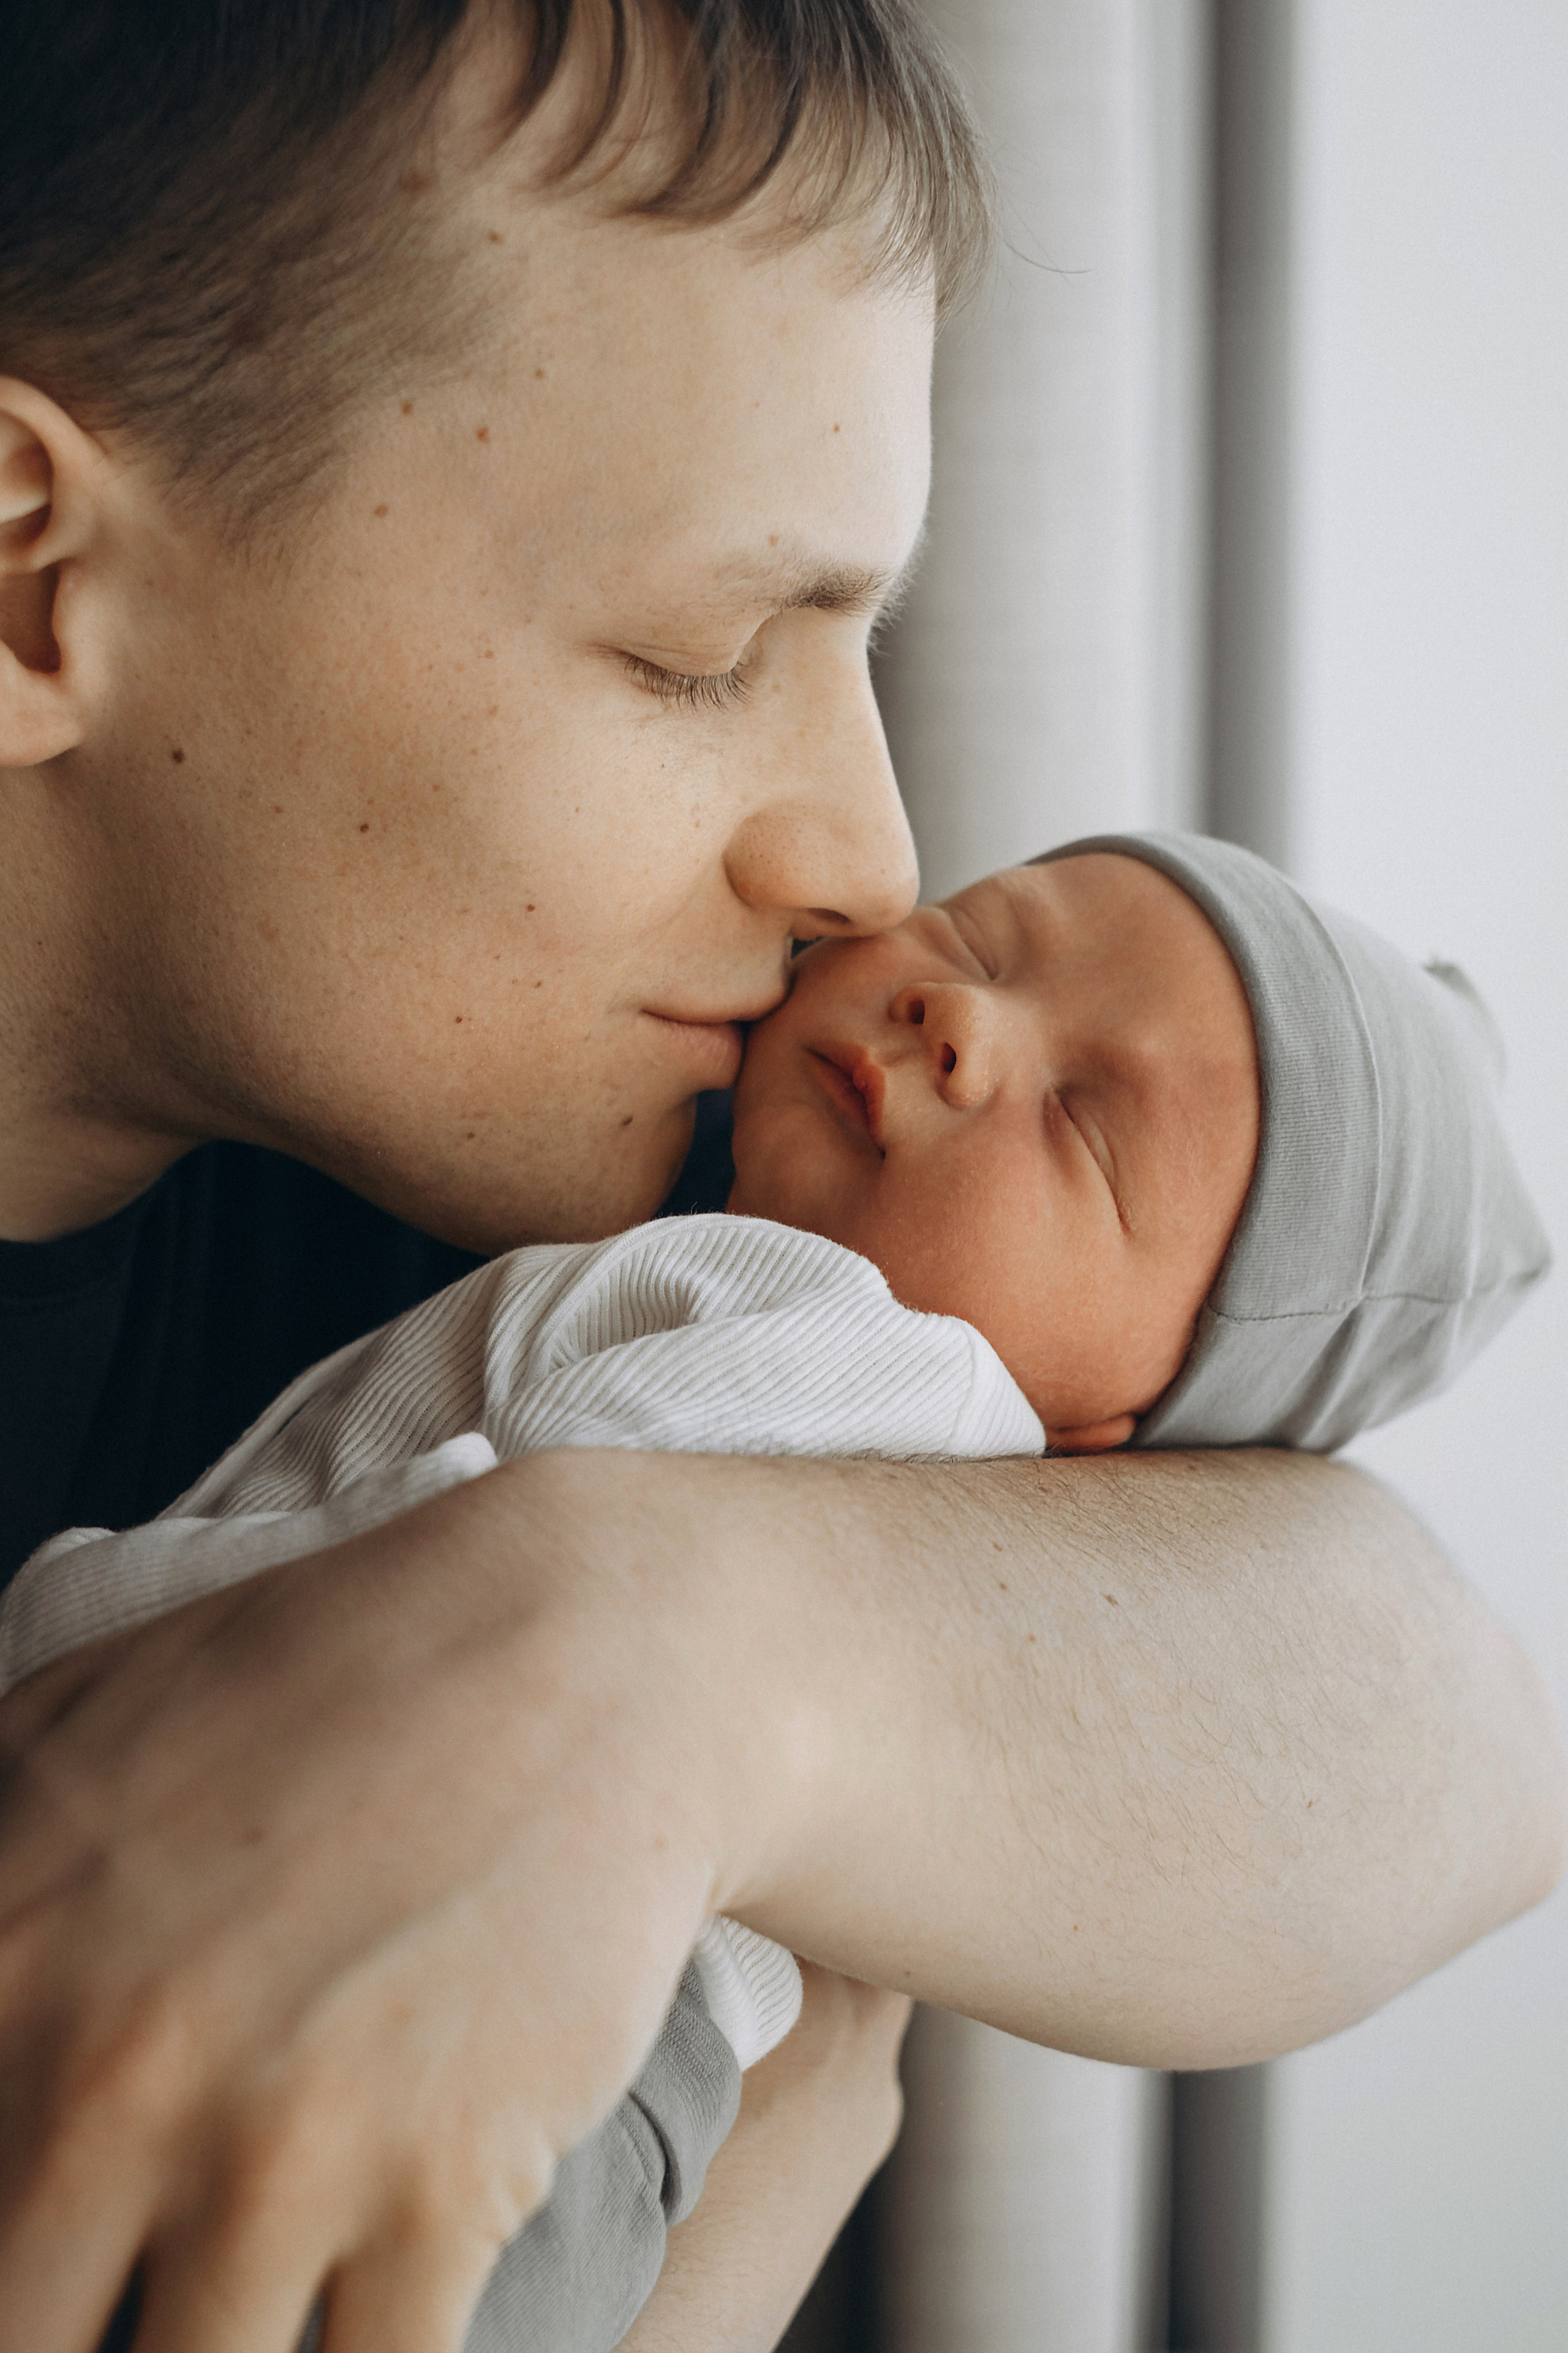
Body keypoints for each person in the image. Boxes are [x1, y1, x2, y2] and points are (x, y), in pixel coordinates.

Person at [0, 7, 1562, 2351]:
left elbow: (1458, 1741)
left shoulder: (571, 1199)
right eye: (698, 649)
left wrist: (654, 1660)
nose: (877, 865)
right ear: (39, 588)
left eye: (863, 646)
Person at [4, 832, 1551, 2351]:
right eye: (978, 936)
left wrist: (65, 1632)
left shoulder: (855, 1354)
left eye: (1084, 1128)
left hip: (499, 2066)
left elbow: (392, 1621)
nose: (962, 1021)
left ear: (1110, 1429)